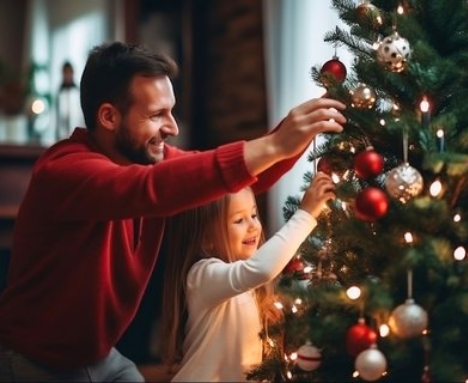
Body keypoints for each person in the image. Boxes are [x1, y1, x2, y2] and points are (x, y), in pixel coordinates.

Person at [0, 41, 346, 383]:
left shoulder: (151, 160)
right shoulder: (64, 171)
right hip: (33, 364)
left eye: (171, 111)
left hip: (101, 358)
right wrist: (273, 144)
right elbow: (147, 188)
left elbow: (227, 182)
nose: (173, 127)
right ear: (108, 116)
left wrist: (299, 133)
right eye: (156, 115)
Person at [162, 172, 335, 382]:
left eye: (253, 215)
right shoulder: (202, 276)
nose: (253, 225)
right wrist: (305, 214)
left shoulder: (246, 285)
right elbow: (261, 269)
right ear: (206, 238)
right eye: (239, 220)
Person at [55, 61, 84, 141]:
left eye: (69, 72)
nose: (67, 75)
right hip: (61, 134)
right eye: (65, 72)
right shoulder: (59, 92)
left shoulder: (78, 92)